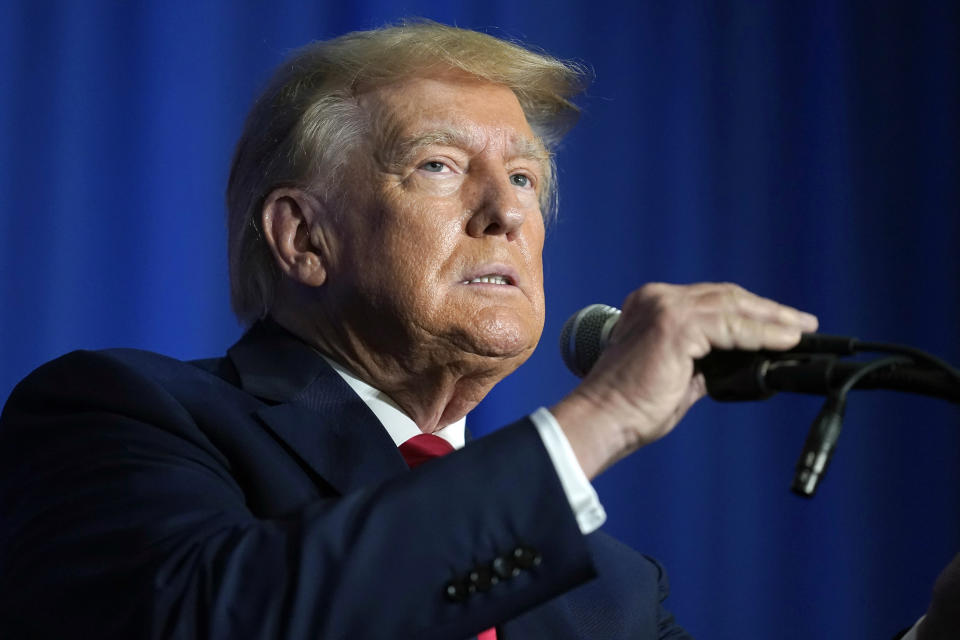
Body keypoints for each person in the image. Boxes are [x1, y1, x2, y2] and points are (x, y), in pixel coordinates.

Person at [0, 20, 936, 639]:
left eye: (525, 178)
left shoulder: (606, 588)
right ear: (303, 236)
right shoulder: (122, 417)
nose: (507, 214)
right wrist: (602, 416)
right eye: (441, 166)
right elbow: (219, 619)